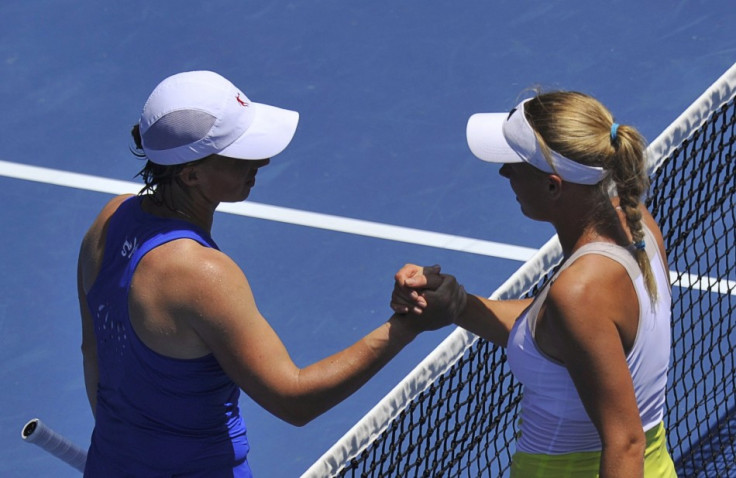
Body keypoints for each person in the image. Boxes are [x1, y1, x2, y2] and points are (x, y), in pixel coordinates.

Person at [77, 70, 453, 477]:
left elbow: (93, 351)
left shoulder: (110, 219)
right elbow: (294, 399)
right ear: (190, 174)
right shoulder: (202, 274)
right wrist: (408, 324)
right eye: (239, 154)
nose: (262, 161)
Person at [391, 91, 677, 477]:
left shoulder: (578, 293)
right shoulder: (634, 223)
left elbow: (625, 443)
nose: (504, 172)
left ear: (554, 186)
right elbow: (562, 337)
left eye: (516, 163)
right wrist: (459, 305)